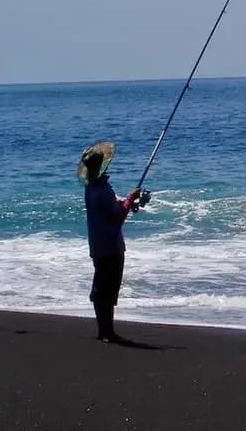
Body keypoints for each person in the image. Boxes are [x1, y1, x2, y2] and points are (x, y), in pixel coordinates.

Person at [78, 140, 141, 344]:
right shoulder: (102, 190)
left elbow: (111, 209)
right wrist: (130, 200)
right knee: (107, 290)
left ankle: (104, 329)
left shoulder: (93, 188)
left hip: (98, 244)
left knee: (101, 288)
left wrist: (124, 202)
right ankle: (107, 331)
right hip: (110, 245)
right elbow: (117, 215)